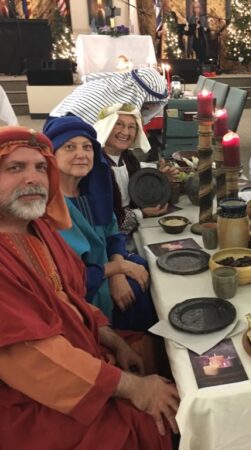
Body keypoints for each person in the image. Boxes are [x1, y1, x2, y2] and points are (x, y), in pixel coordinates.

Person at [0, 126, 179, 449]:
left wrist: (113, 340)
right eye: (15, 168)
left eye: (40, 167)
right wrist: (133, 388)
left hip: (82, 350)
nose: (32, 178)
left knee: (160, 352)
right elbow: (32, 358)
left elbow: (74, 296)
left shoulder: (38, 229)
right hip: (32, 396)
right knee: (155, 422)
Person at [43, 116, 157, 332]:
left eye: (87, 147)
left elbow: (113, 235)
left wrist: (118, 272)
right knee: (137, 283)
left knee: (148, 266)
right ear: (51, 155)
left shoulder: (93, 193)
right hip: (82, 291)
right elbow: (63, 278)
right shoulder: (47, 209)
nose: (81, 154)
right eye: (69, 147)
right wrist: (117, 268)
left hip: (107, 268)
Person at [94, 103, 177, 235]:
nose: (125, 132)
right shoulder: (95, 165)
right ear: (105, 126)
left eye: (131, 127)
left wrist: (160, 182)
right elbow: (106, 221)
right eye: (118, 124)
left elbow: (140, 194)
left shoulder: (129, 159)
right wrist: (141, 213)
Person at [50, 67, 168, 125]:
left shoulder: (111, 86)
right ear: (141, 95)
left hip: (56, 119)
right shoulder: (113, 105)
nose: (151, 108)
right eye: (151, 103)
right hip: (66, 129)